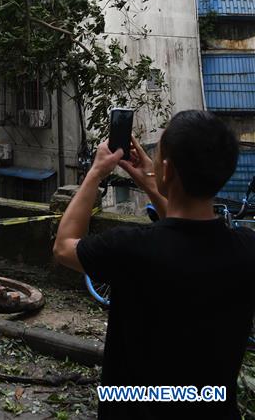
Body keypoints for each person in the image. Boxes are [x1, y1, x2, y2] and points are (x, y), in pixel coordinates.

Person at [54, 110, 255, 417]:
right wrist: (153, 181)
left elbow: (65, 247)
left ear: (168, 169)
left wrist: (95, 173)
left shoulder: (131, 248)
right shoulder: (245, 251)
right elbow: (185, 230)